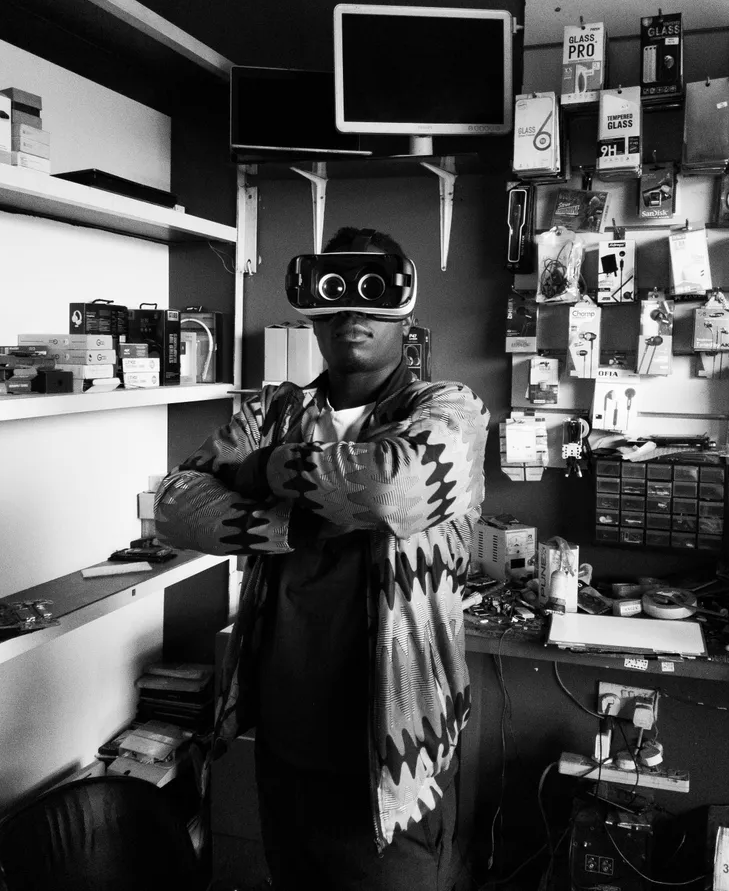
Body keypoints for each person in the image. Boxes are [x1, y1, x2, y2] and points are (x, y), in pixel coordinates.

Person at [155, 226, 488, 890]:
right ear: (310, 303)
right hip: (282, 754)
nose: (351, 311)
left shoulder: (450, 409)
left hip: (394, 768)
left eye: (373, 290)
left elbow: (392, 486)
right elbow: (173, 503)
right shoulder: (274, 409)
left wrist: (265, 467)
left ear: (405, 307)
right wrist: (298, 522)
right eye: (333, 291)